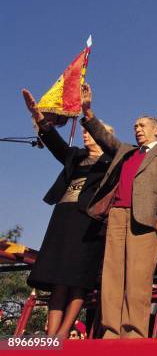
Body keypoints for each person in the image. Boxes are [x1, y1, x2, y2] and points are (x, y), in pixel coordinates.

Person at [80, 84, 157, 338]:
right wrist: (88, 111)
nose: (137, 129)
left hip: (146, 218)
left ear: (156, 130)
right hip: (117, 215)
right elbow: (105, 138)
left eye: (142, 125)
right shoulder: (126, 151)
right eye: (135, 126)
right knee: (112, 275)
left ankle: (134, 330)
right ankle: (111, 330)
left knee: (138, 277)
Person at [21, 89, 113, 339]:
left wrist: (87, 109)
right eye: (83, 131)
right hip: (63, 219)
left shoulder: (112, 161)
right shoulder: (75, 156)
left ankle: (63, 334)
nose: (85, 133)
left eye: (90, 131)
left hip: (89, 223)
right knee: (57, 277)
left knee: (78, 279)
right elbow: (54, 143)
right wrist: (38, 115)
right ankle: (51, 335)